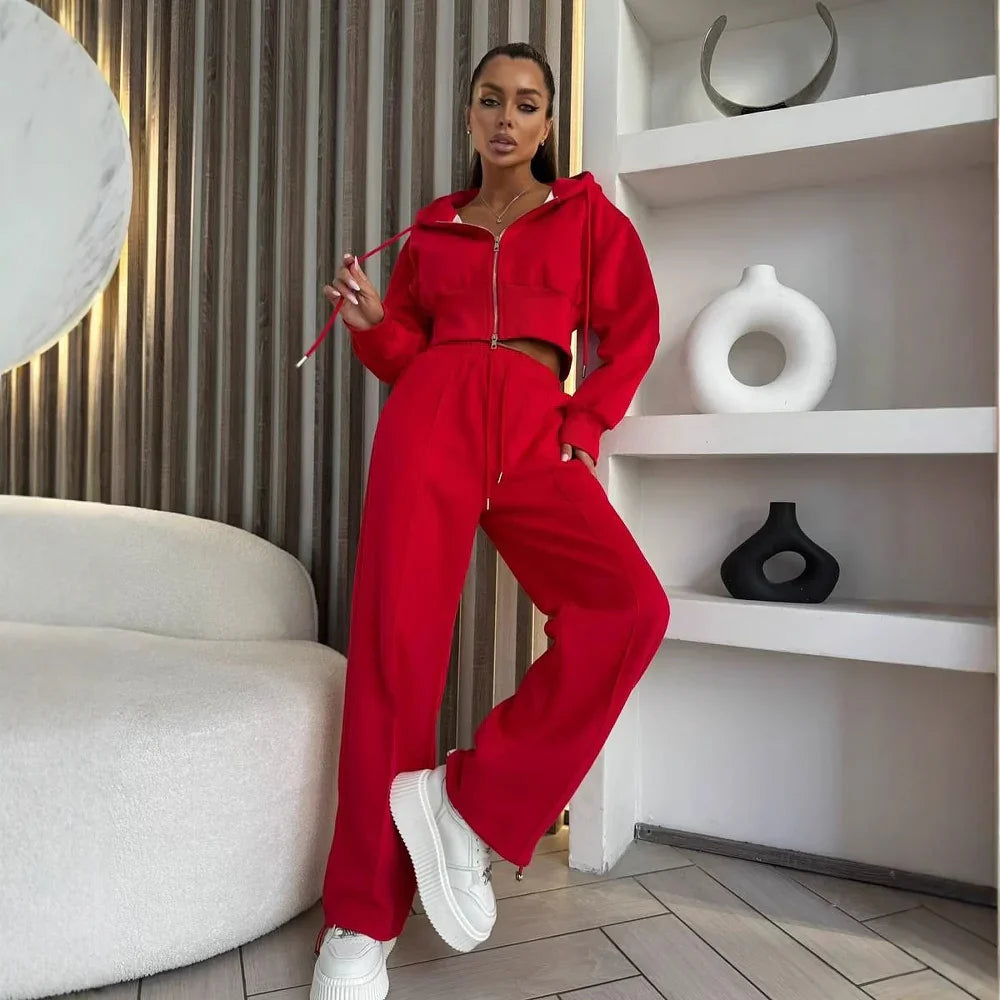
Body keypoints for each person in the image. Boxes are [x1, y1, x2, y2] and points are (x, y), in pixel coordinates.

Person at [309, 41, 669, 1000]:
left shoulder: (588, 218)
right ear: (468, 118)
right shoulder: (432, 232)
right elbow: (406, 354)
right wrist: (375, 323)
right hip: (430, 415)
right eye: (489, 101)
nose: (507, 117)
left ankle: (464, 804)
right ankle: (359, 919)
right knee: (396, 653)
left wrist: (583, 425)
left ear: (549, 123)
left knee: (628, 611)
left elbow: (631, 331)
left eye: (527, 103)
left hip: (533, 422)